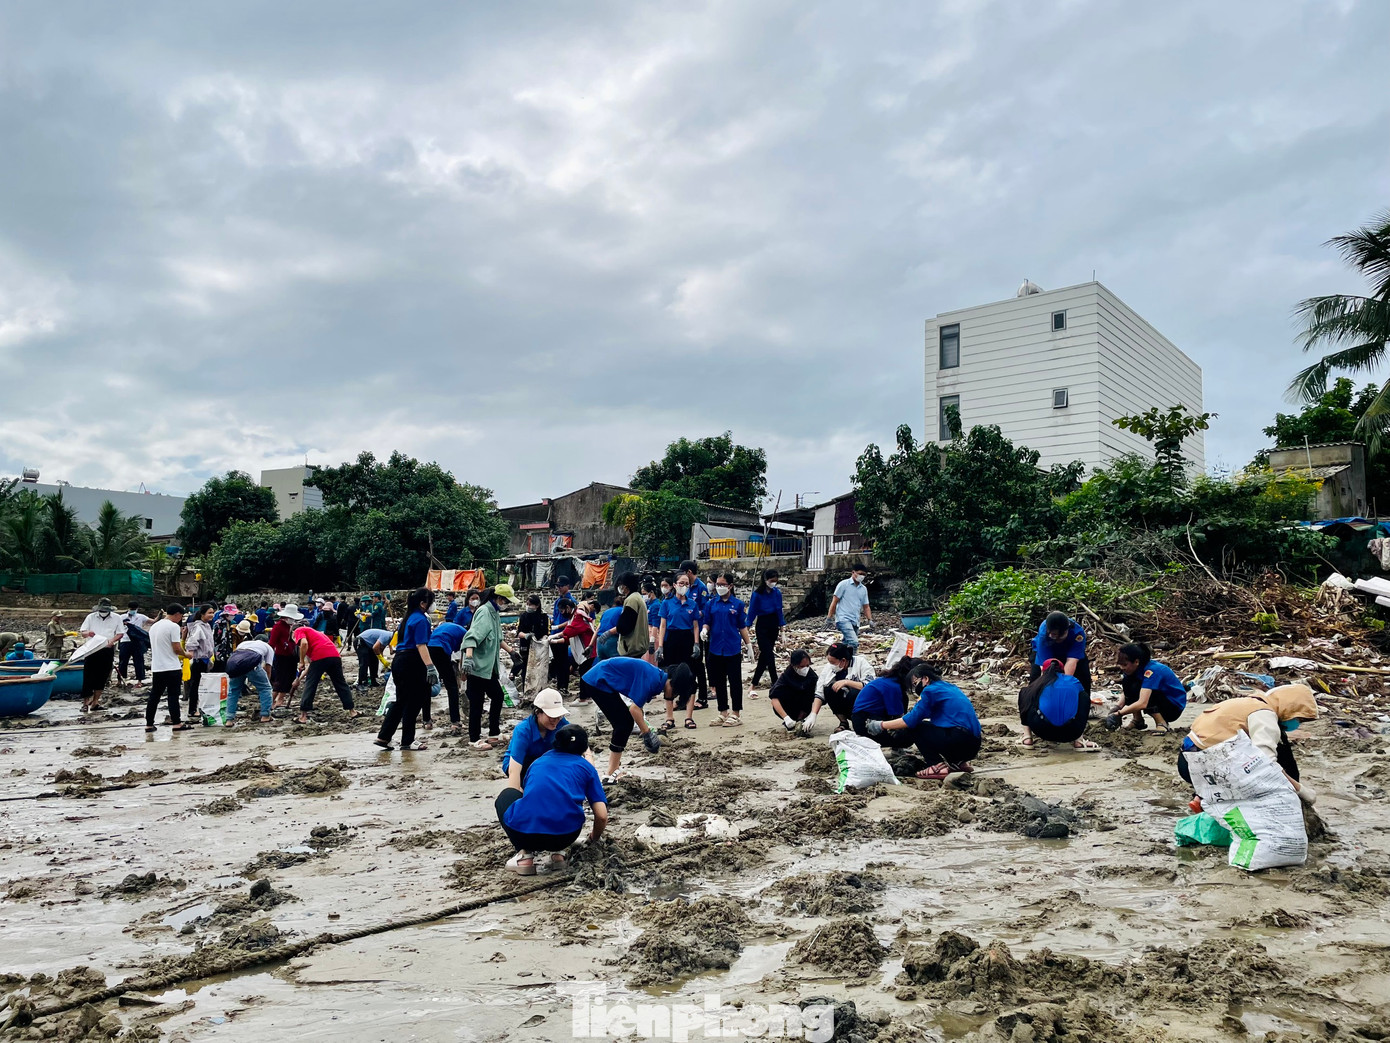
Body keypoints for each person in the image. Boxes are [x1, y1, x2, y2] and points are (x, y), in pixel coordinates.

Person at [1177, 684, 1319, 805]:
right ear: (1290, 707)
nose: (1297, 724)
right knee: (1262, 780)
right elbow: (1266, 765)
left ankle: (1203, 796)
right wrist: (1301, 790)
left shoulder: (1247, 703)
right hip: (1206, 767)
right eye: (1298, 719)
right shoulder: (1264, 715)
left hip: (1187, 760)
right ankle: (1209, 799)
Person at [495, 723, 607, 876]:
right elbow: (601, 815)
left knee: (507, 796)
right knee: (562, 802)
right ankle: (558, 855)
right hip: (565, 836)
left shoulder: (538, 762)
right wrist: (593, 838)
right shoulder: (587, 768)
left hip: (525, 835)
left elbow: (531, 795)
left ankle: (525, 856)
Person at [864, 661, 982, 781]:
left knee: (917, 728)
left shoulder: (930, 690)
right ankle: (957, 763)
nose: (915, 688)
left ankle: (935, 765)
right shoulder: (949, 687)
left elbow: (911, 720)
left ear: (925, 679)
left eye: (916, 683)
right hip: (974, 744)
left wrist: (882, 725)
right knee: (932, 728)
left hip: (959, 740)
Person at [580, 657, 691, 782]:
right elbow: (634, 709)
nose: (673, 696)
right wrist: (647, 733)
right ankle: (611, 772)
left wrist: (645, 729)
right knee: (623, 724)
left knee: (624, 723)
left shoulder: (657, 676)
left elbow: (637, 706)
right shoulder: (653, 679)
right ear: (672, 681)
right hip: (597, 680)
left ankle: (613, 769)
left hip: (601, 679)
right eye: (675, 692)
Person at [375, 588, 436, 751]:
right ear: (423, 603)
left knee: (401, 700)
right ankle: (407, 740)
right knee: (415, 700)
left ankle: (384, 736)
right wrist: (430, 667)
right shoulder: (421, 620)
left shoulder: (407, 618)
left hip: (400, 661)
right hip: (412, 661)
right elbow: (421, 645)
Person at [462, 583, 521, 749]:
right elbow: (471, 637)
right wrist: (468, 659)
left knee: (498, 696)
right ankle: (474, 739)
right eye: (506, 601)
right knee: (477, 702)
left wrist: (511, 652)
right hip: (477, 665)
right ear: (499, 598)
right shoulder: (484, 612)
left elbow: (498, 638)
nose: (506, 605)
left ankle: (493, 733)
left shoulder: (494, 613)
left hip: (489, 667)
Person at [701, 571, 752, 727]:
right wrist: (704, 630)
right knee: (719, 681)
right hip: (716, 647)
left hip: (732, 648)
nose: (719, 587)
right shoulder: (711, 604)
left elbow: (741, 626)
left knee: (735, 681)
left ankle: (736, 713)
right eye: (718, 584)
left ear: (730, 586)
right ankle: (723, 712)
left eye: (722, 585)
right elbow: (707, 621)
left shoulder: (737, 604)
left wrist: (749, 645)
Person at [1019, 659, 1099, 750]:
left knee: (1025, 693)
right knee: (1083, 696)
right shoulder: (1073, 681)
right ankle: (1079, 740)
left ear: (1043, 671)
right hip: (1072, 732)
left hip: (1041, 730)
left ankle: (1027, 737)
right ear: (1063, 671)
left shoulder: (1037, 684)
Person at [293, 617, 359, 725]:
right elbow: (311, 666)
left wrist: (301, 661)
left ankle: (303, 716)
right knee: (340, 684)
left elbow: (304, 644)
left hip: (321, 657)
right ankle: (352, 711)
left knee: (310, 685)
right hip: (334, 657)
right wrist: (299, 679)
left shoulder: (298, 630)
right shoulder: (317, 634)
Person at [1109, 643, 1186, 733]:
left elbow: (1143, 703)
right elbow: (1127, 691)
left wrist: (1119, 714)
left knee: (1144, 691)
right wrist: (1118, 707)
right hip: (1160, 699)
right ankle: (1138, 720)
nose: (1122, 668)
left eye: (1125, 665)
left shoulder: (1153, 670)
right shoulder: (1133, 671)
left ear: (1136, 662)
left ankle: (1161, 723)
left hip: (1173, 706)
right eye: (1120, 665)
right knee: (1128, 682)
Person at [501, 688, 569, 787]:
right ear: (537, 712)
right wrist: (515, 795)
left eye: (559, 716)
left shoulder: (561, 723)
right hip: (522, 763)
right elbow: (514, 770)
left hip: (545, 760)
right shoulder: (523, 730)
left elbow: (581, 745)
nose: (555, 720)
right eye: (551, 716)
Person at [808, 642, 877, 734]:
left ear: (843, 661)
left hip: (863, 704)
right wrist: (813, 715)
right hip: (843, 704)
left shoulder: (861, 663)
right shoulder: (829, 668)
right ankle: (843, 722)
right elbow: (820, 692)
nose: (830, 665)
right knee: (828, 689)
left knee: (854, 692)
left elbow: (870, 686)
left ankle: (861, 721)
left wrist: (847, 682)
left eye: (832, 662)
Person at [145, 604, 193, 732]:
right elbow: (176, 648)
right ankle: (176, 723)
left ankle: (149, 724)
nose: (180, 619)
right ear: (177, 614)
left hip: (157, 667)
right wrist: (187, 654)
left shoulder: (154, 626)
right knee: (173, 695)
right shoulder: (173, 626)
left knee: (154, 696)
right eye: (181, 616)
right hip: (171, 667)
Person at [78, 598, 126, 713]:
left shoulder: (116, 618)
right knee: (88, 676)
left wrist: (112, 641)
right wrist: (88, 633)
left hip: (107, 649)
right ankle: (85, 703)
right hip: (91, 649)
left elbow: (120, 633)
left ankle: (95, 702)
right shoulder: (91, 617)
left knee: (102, 676)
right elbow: (83, 632)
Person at [1031, 611, 1091, 693]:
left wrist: (1063, 686)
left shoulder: (1077, 633)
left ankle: (1083, 701)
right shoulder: (1043, 631)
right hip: (1048, 651)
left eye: (1060, 637)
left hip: (1068, 653)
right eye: (1055, 635)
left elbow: (1071, 661)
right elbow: (1045, 667)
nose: (1058, 639)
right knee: (1036, 678)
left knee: (1084, 677)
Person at [677, 561, 710, 707]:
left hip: (696, 631)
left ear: (689, 572)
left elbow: (705, 610)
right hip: (683, 632)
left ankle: (702, 697)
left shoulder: (701, 588)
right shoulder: (685, 587)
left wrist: (693, 614)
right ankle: (684, 696)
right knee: (684, 666)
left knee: (697, 665)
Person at [426, 619, 468, 734]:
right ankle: (455, 721)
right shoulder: (466, 635)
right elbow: (463, 657)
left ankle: (427, 721)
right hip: (441, 648)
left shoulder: (449, 627)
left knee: (427, 684)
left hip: (428, 648)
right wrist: (463, 674)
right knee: (452, 687)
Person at [224, 633, 275, 724]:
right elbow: (268, 667)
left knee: (233, 691)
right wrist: (267, 681)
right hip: (251, 664)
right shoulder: (268, 647)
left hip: (234, 664)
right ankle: (265, 715)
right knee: (265, 688)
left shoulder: (244, 643)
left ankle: (229, 719)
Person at [748, 569, 785, 688]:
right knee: (768, 654)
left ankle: (753, 684)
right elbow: (752, 612)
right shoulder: (757, 594)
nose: (773, 583)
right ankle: (776, 682)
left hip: (773, 625)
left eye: (775, 581)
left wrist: (782, 629)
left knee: (765, 656)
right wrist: (746, 627)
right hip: (762, 624)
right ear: (765, 580)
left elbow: (779, 610)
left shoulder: (777, 593)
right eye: (771, 580)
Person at [549, 599, 593, 695]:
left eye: (562, 611)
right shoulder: (572, 617)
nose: (562, 613)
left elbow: (569, 631)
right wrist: (555, 641)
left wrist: (555, 636)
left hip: (586, 649)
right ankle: (585, 695)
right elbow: (569, 637)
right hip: (582, 649)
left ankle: (584, 698)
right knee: (583, 672)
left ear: (568, 608)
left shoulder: (578, 615)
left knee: (584, 673)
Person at [826, 564, 873, 650]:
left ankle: (841, 659)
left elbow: (866, 606)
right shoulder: (843, 585)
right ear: (853, 572)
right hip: (843, 618)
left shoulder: (863, 589)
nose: (861, 576)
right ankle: (853, 661)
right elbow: (834, 601)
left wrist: (870, 620)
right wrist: (829, 617)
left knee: (846, 643)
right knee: (853, 642)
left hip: (855, 620)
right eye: (860, 573)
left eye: (864, 575)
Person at [769, 649, 818, 730]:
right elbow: (774, 698)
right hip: (788, 707)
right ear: (794, 665)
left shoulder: (812, 676)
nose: (805, 669)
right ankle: (788, 720)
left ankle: (800, 719)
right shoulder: (786, 677)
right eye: (802, 666)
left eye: (807, 665)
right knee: (780, 694)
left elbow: (817, 696)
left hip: (805, 708)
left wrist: (812, 716)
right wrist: (786, 718)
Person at [267, 605, 301, 712]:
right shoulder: (278, 627)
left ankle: (280, 699)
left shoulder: (293, 626)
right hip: (281, 656)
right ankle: (271, 700)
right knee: (280, 679)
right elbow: (272, 643)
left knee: (289, 679)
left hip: (292, 656)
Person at [183, 603, 215, 718]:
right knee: (195, 686)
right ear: (202, 614)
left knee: (201, 686)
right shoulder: (198, 626)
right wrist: (190, 655)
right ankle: (192, 710)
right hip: (198, 660)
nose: (212, 615)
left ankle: (200, 707)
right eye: (209, 613)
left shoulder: (207, 625)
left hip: (205, 659)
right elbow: (192, 642)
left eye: (213, 612)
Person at [514, 594, 549, 689]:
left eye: (530, 604)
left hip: (539, 646)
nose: (528, 606)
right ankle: (526, 688)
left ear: (537, 605)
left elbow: (546, 632)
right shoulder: (524, 616)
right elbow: (519, 632)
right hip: (525, 644)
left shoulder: (543, 617)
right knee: (525, 666)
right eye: (527, 604)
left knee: (538, 668)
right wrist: (526, 636)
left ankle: (538, 687)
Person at [614, 572, 649, 659]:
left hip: (631, 647)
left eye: (621, 585)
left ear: (625, 586)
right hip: (639, 645)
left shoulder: (631, 600)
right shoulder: (638, 597)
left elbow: (624, 626)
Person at [117, 602, 151, 686]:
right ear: (128, 608)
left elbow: (152, 621)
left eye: (134, 609)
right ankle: (120, 680)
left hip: (137, 641)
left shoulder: (141, 617)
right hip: (125, 640)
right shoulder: (122, 617)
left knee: (139, 661)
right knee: (123, 662)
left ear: (137, 609)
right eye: (131, 609)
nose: (133, 611)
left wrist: (160, 615)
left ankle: (140, 680)